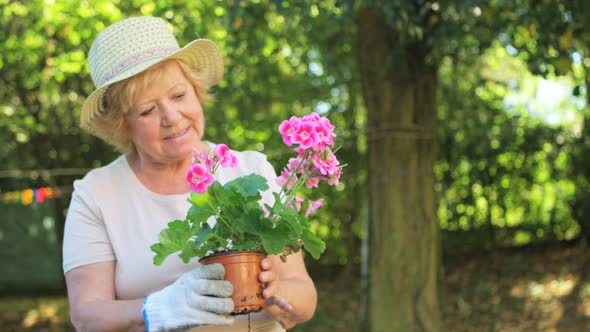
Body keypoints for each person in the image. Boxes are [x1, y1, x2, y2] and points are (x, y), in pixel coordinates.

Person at [62, 16, 317, 331]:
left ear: (197, 93)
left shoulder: (251, 169)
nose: (171, 116)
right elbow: (86, 315)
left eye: (179, 95)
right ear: (123, 124)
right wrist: (156, 308)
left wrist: (280, 293)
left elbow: (304, 295)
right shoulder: (97, 194)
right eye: (147, 110)